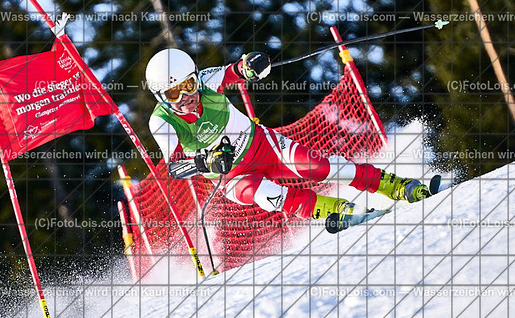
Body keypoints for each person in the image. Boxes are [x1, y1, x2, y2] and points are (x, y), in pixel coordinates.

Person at [146, 48, 432, 232]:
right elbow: (175, 167)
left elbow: (237, 71)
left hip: (262, 144)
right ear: (161, 97)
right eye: (173, 94)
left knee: (319, 167)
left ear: (196, 78)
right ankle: (339, 210)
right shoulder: (162, 121)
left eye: (188, 85)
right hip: (232, 176)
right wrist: (206, 161)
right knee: (269, 197)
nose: (185, 97)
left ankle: (398, 186)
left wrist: (252, 65)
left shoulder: (208, 81)